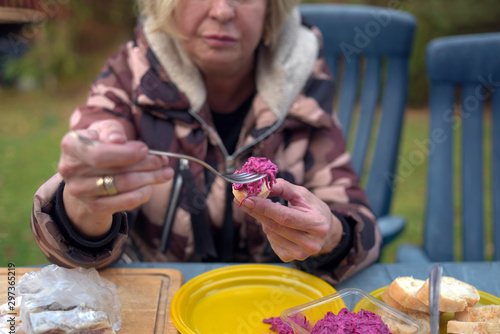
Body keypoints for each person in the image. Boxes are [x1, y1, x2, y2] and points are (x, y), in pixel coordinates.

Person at [31, 0, 381, 285]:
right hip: (153, 303)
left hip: (268, 305)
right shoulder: (130, 76)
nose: (222, 10)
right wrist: (85, 204)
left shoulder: (305, 80)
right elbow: (66, 248)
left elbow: (358, 223)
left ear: (271, 8)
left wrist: (331, 235)